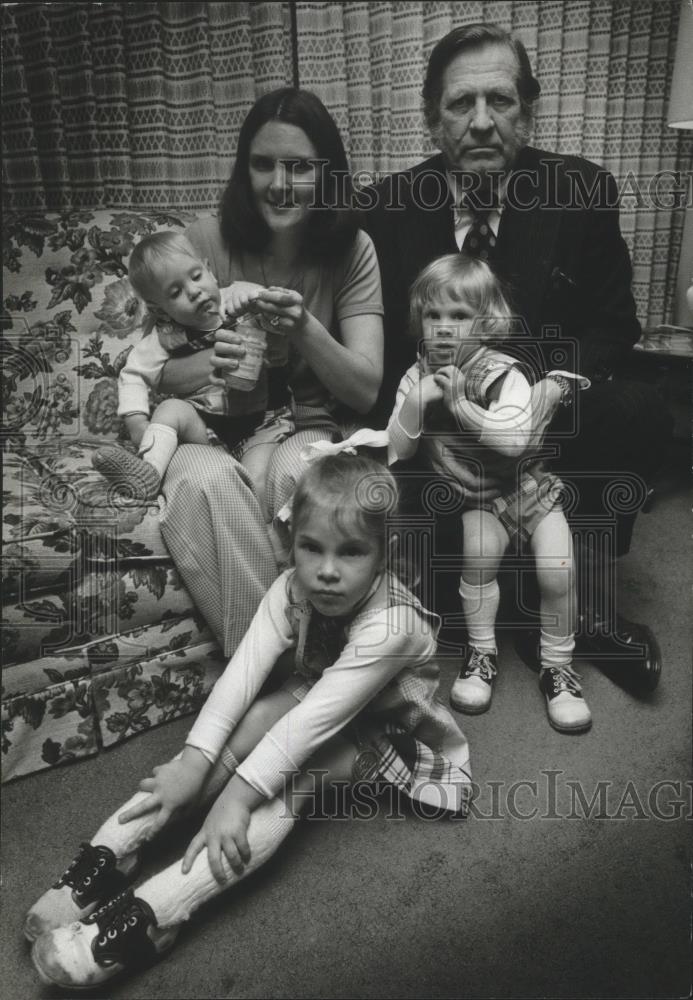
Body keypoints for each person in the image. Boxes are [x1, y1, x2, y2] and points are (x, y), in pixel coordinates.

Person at [24, 453, 472, 989]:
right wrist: (193, 763)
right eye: (312, 548)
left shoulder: (391, 625)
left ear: (384, 555)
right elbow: (241, 677)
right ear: (292, 541)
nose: (327, 571)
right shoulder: (292, 588)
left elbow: (309, 727)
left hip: (387, 728)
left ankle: (155, 915)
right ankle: (112, 853)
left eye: (351, 552)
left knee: (298, 776)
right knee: (249, 719)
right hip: (319, 694)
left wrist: (236, 799)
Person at [361, 22, 671, 689]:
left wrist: (546, 390)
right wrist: (442, 424)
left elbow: (614, 325)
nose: (480, 122)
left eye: (499, 101)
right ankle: (494, 601)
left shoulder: (580, 191)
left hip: (544, 416)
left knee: (641, 409)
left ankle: (582, 598)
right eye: (458, 104)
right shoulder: (385, 208)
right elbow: (381, 345)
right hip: (446, 420)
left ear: (525, 110)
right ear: (430, 118)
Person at [154, 88, 385, 656]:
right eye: (263, 164)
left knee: (294, 479)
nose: (280, 183)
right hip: (206, 422)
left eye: (299, 167)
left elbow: (365, 385)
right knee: (203, 482)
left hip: (297, 420)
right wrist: (214, 360)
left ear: (326, 173)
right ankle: (289, 667)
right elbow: (156, 374)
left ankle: (268, 672)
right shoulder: (203, 240)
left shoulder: (353, 249)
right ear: (244, 169)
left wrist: (305, 326)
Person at [388, 253, 591, 731]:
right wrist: (418, 402)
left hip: (529, 490)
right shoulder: (415, 377)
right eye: (432, 315)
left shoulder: (502, 371)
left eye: (458, 316)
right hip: (479, 500)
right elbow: (397, 450)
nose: (442, 327)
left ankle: (558, 666)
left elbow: (513, 439)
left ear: (487, 323)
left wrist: (457, 402)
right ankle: (481, 654)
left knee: (557, 569)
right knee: (478, 558)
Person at [91, 231, 293, 515]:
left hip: (261, 423)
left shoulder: (236, 302)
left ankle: (266, 536)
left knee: (256, 479)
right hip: (209, 427)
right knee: (171, 409)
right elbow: (133, 374)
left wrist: (249, 291)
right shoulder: (165, 336)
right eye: (175, 293)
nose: (194, 291)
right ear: (159, 309)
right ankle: (148, 473)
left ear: (209, 270)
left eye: (196, 276)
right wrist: (137, 422)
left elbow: (278, 316)